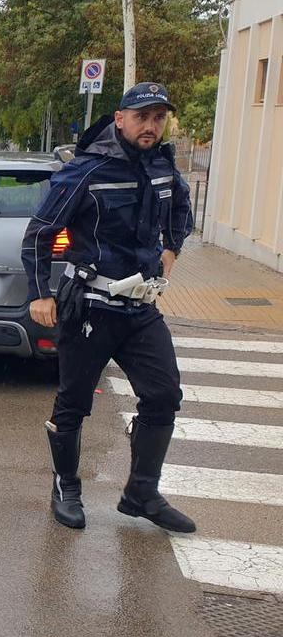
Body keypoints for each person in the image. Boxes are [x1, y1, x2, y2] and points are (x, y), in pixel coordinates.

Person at [22, 82, 195, 533]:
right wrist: (41, 293)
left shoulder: (162, 163)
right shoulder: (87, 169)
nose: (151, 126)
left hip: (140, 309)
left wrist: (171, 249)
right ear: (120, 118)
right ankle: (66, 486)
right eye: (142, 117)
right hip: (91, 308)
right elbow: (40, 232)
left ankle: (141, 493)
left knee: (163, 395)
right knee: (74, 403)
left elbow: (181, 207)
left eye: (159, 118)